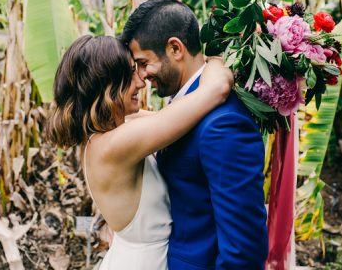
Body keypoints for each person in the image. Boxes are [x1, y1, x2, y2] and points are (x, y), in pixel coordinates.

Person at [46, 35, 233, 270]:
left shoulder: (116, 130)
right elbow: (217, 88)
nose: (141, 82)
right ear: (108, 85)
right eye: (130, 74)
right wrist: (221, 53)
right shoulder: (114, 146)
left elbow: (188, 119)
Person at [120, 0, 269, 270]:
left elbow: (244, 249)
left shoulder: (223, 126)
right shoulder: (188, 106)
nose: (141, 77)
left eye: (144, 63)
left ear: (175, 48)